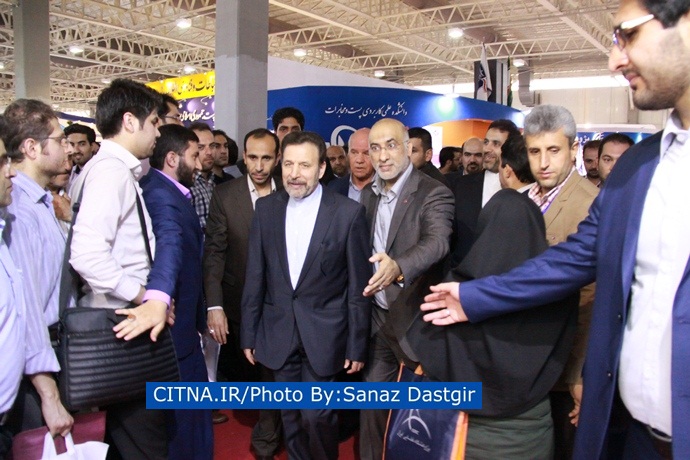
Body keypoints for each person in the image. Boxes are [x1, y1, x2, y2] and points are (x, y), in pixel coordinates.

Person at [420, 1, 690, 457]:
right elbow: (573, 260)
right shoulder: (639, 169)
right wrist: (474, 296)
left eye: (627, 35)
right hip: (628, 432)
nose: (614, 60)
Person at [408, 188, 578, 459]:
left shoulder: (456, 292)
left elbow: (425, 349)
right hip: (528, 431)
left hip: (460, 433)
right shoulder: (560, 292)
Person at [241, 131, 371, 460]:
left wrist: (356, 344)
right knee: (291, 416)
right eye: (288, 164)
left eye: (304, 165)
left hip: (325, 334)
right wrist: (249, 333)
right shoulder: (265, 209)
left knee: (317, 415)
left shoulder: (347, 213)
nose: (295, 174)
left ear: (322, 168)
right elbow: (255, 276)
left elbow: (358, 286)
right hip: (277, 330)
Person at [69, 78, 169, 459]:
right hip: (122, 325)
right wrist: (145, 296)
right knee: (145, 442)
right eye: (154, 122)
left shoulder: (110, 170)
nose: (158, 132)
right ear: (130, 121)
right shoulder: (110, 172)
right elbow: (87, 254)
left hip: (121, 322)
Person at [359, 118, 454, 460]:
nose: (382, 156)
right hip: (378, 319)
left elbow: (437, 242)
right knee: (372, 405)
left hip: (416, 322)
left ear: (408, 148)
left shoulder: (433, 192)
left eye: (391, 146)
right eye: (375, 148)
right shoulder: (368, 194)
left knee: (417, 420)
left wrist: (398, 266)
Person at [204, 128, 283, 457]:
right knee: (255, 369)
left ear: (277, 159)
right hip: (239, 300)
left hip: (283, 304)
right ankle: (270, 428)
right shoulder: (226, 195)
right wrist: (215, 306)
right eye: (252, 157)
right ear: (244, 157)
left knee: (274, 370)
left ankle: (268, 435)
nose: (259, 166)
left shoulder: (292, 190)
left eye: (266, 158)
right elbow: (215, 253)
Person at [140, 124, 213, 460]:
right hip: (172, 328)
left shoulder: (172, 192)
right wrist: (159, 299)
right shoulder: (159, 195)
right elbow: (168, 251)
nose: (199, 164)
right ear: (172, 158)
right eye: (194, 156)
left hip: (184, 325)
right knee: (182, 425)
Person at [2, 100, 74, 437]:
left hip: (55, 352)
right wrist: (49, 394)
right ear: (32, 148)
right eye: (59, 140)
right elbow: (26, 308)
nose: (67, 148)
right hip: (37, 371)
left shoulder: (41, 201)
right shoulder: (19, 209)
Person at [328, 128, 375, 202]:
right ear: (348, 154)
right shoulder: (332, 188)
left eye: (366, 153)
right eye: (354, 152)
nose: (359, 160)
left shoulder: (388, 188)